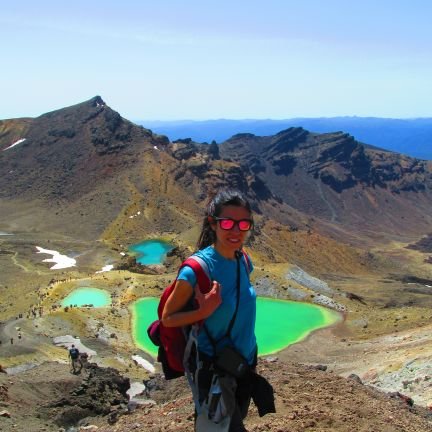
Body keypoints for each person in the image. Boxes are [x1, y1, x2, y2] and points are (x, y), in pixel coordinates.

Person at [162, 189, 258, 432]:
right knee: (220, 427)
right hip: (213, 368)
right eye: (227, 222)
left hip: (244, 361)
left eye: (243, 223)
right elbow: (168, 318)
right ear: (212, 224)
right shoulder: (195, 270)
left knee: (230, 419)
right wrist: (202, 310)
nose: (236, 230)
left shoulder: (243, 260)